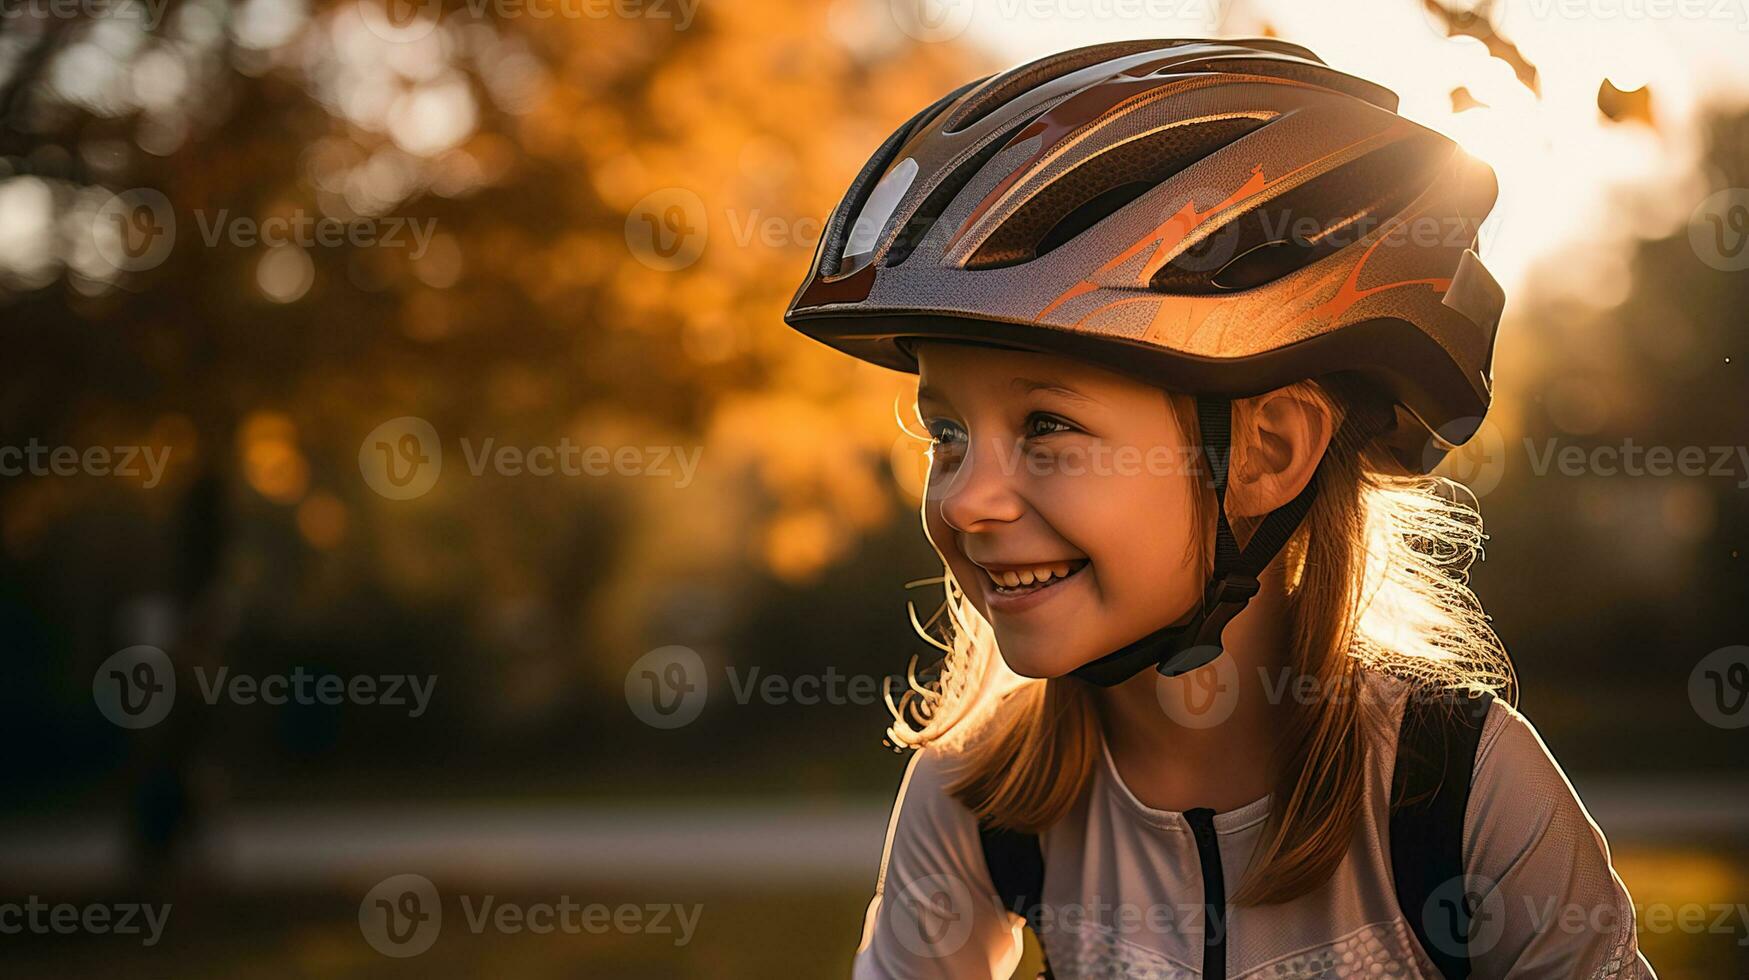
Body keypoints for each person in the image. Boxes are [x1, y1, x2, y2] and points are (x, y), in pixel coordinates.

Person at [782, 38, 1656, 980]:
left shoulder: (1458, 787)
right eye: (944, 433)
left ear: (1267, 453)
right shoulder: (978, 795)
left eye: (1045, 426)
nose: (964, 497)